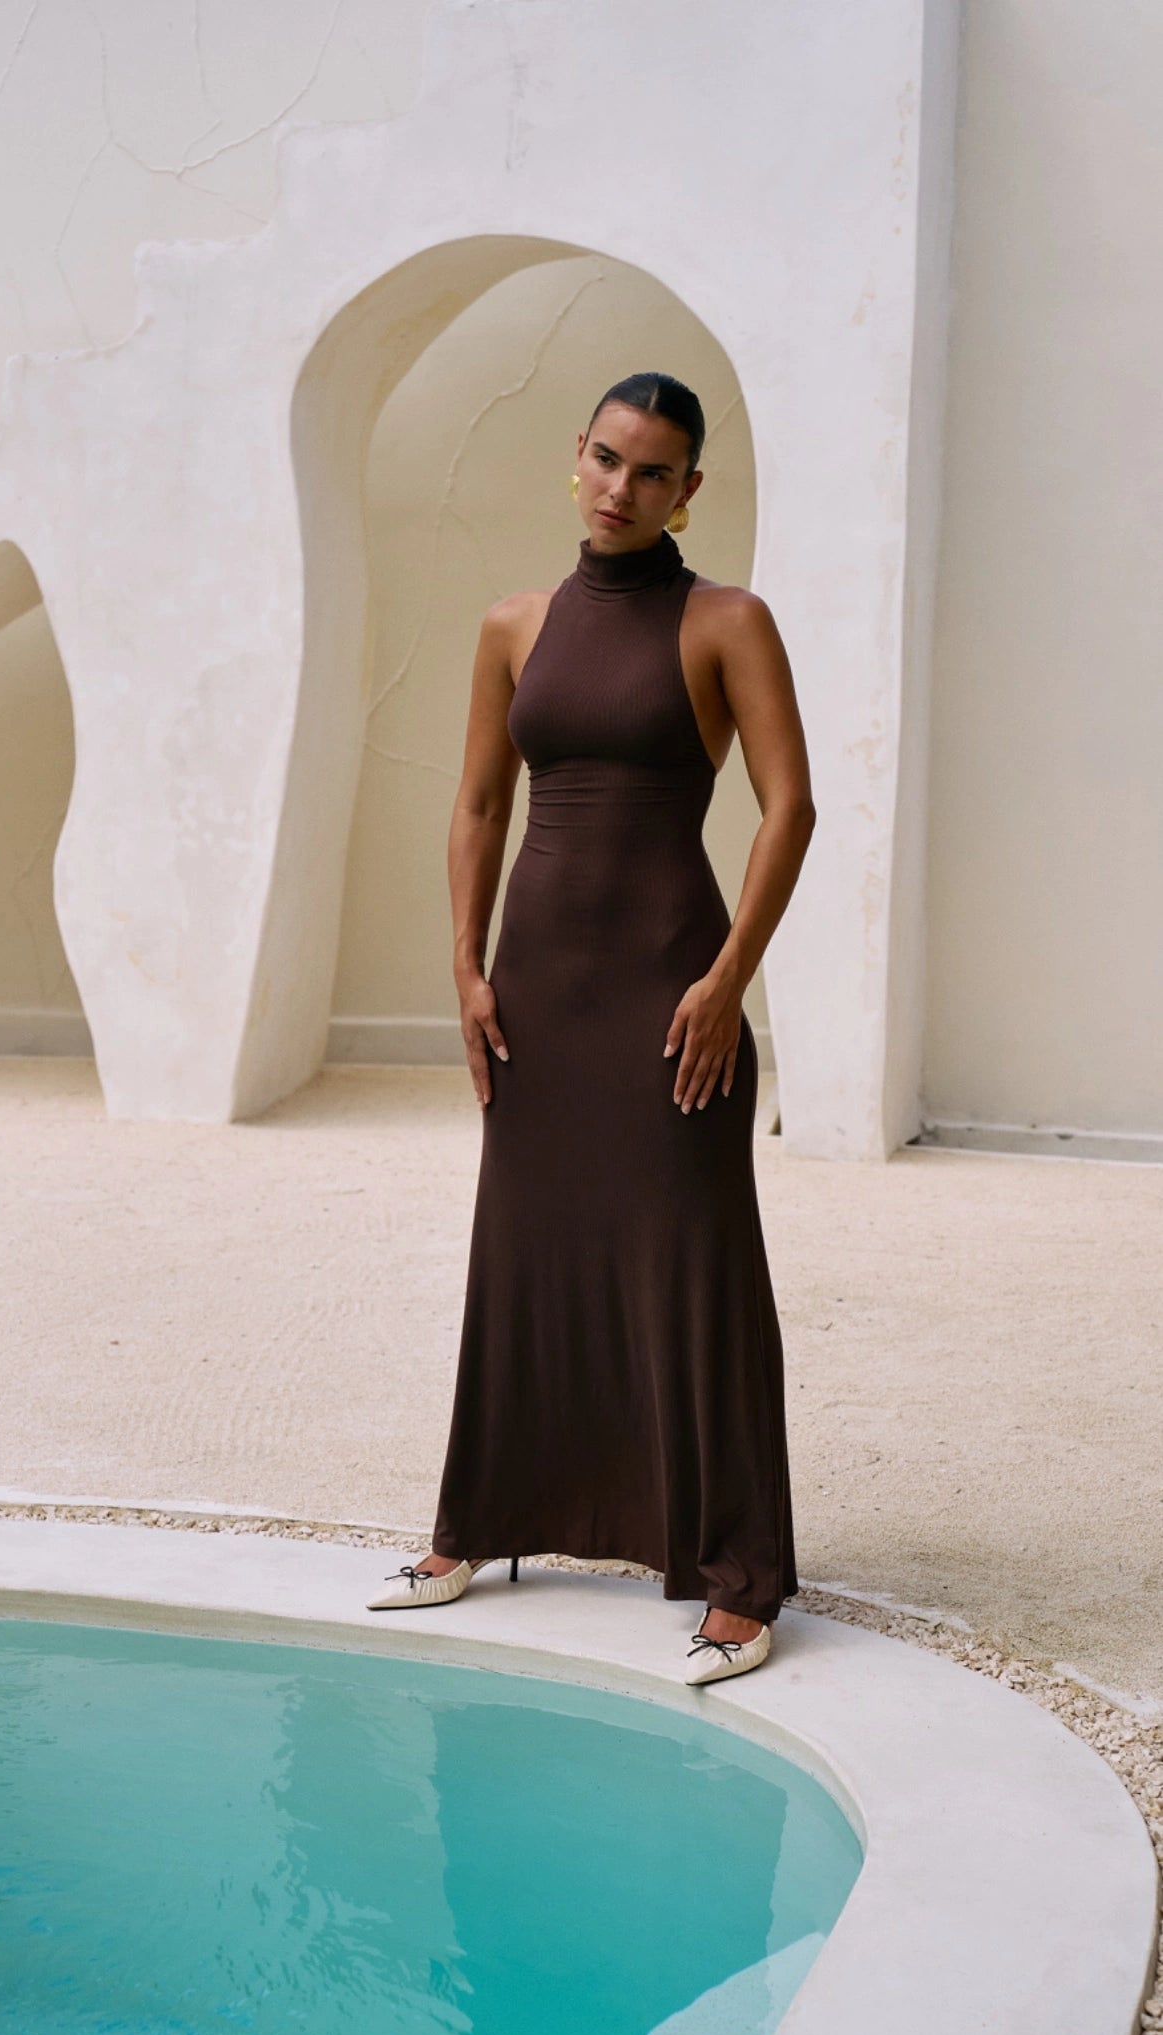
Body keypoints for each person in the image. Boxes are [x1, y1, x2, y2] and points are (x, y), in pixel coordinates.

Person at [366, 371, 816, 1686]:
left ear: (688, 491)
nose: (622, 489)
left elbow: (787, 809)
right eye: (607, 460)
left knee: (694, 1260)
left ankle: (740, 1576)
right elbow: (474, 807)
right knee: (524, 1250)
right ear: (576, 458)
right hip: (535, 992)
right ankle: (478, 1526)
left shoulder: (725, 621)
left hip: (671, 989)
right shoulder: (513, 624)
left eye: (652, 471)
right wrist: (462, 970)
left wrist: (730, 979)